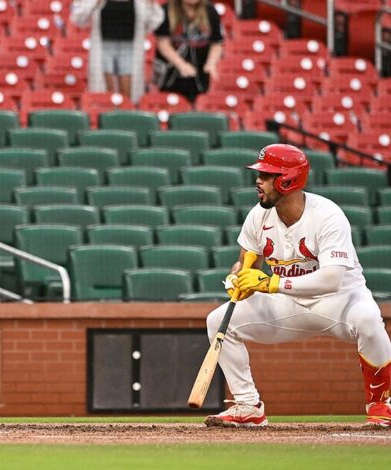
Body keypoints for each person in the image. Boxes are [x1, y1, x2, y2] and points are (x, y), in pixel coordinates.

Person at [205, 144, 391, 428]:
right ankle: (248, 405)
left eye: (267, 175)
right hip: (287, 304)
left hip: (339, 301)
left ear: (288, 179)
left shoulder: (327, 214)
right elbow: (246, 264)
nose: (258, 180)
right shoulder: (258, 215)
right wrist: (238, 279)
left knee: (368, 319)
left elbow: (332, 279)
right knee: (218, 320)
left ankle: (381, 404)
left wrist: (270, 283)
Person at [70, 0, 164, 103]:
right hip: (104, 48)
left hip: (130, 48)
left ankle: (127, 116)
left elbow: (155, 22)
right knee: (106, 93)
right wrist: (95, 3)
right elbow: (78, 19)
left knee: (128, 95)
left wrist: (150, 5)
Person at [153, 0, 223, 102]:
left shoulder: (210, 11)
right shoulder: (166, 10)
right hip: (170, 75)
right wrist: (181, 65)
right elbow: (163, 44)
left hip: (199, 76)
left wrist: (211, 64)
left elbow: (216, 43)